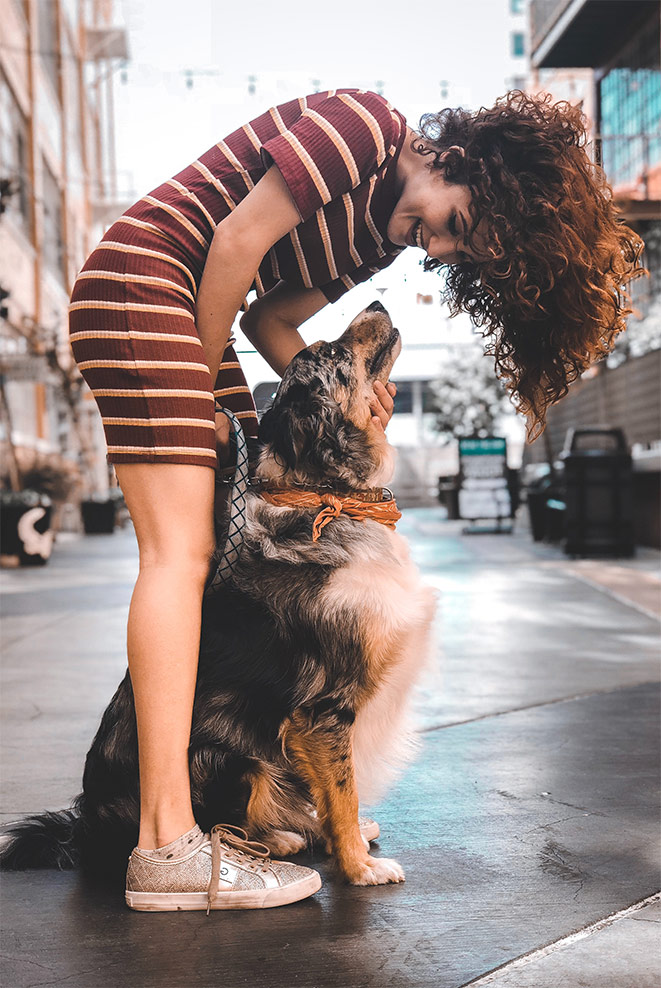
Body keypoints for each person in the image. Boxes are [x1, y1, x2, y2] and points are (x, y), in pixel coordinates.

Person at [69, 87, 644, 911]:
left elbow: (270, 318)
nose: (438, 249)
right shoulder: (365, 127)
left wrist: (351, 391)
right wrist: (199, 388)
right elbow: (232, 245)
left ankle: (182, 814)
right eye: (452, 226)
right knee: (181, 554)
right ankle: (165, 847)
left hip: (192, 301)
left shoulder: (379, 240)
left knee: (207, 565)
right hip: (146, 283)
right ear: (466, 162)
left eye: (456, 254)